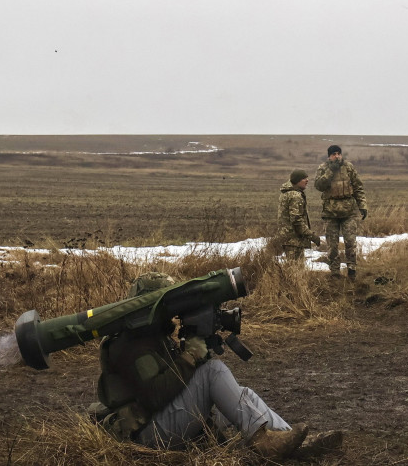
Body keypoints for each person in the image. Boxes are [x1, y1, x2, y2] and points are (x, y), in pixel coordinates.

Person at [93, 272, 341, 460]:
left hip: (161, 424)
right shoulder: (130, 345)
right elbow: (156, 396)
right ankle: (264, 443)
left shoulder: (148, 337)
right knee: (213, 372)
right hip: (148, 437)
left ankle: (290, 444)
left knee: (243, 394)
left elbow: (169, 383)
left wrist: (189, 353)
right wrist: (190, 358)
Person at [314, 145, 368, 279]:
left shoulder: (349, 167)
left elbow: (358, 187)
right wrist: (330, 171)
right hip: (330, 213)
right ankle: (335, 272)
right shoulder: (323, 168)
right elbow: (319, 186)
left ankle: (351, 270)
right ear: (329, 156)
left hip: (348, 212)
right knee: (332, 246)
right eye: (334, 154)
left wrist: (363, 206)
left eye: (339, 154)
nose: (337, 156)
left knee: (350, 242)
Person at [276, 169, 321, 261]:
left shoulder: (286, 193)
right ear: (297, 180)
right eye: (304, 178)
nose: (307, 180)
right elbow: (297, 221)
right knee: (295, 270)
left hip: (288, 238)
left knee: (291, 268)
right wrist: (313, 237)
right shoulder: (295, 196)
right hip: (294, 240)